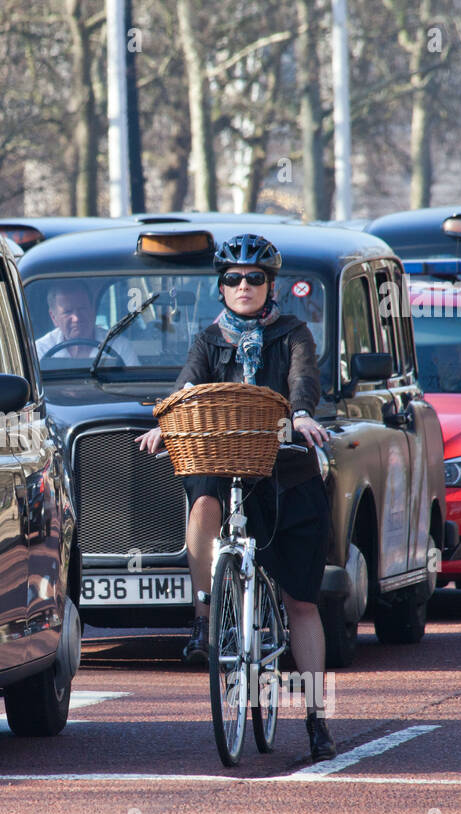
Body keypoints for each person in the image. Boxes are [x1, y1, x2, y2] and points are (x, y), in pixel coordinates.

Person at [135, 234, 337, 762]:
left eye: (254, 278)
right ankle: (205, 615)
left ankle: (316, 718)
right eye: (232, 279)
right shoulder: (207, 340)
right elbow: (187, 388)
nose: (243, 287)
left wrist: (301, 414)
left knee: (302, 602)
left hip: (285, 468)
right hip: (226, 465)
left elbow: (303, 380)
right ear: (220, 286)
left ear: (270, 285)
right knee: (202, 499)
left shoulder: (293, 333)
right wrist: (165, 423)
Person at [34, 281, 141, 366]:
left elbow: (135, 388)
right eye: (68, 312)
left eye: (82, 309)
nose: (76, 318)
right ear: (54, 317)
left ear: (93, 310)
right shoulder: (40, 351)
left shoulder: (119, 347)